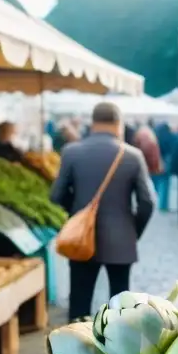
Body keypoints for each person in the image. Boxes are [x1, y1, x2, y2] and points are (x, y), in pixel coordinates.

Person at [50, 102, 155, 321]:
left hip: (81, 238)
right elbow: (147, 202)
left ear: (93, 123)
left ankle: (76, 341)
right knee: (121, 309)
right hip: (121, 239)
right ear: (119, 124)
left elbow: (56, 195)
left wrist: (77, 213)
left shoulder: (71, 152)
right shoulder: (132, 155)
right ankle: (116, 342)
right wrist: (132, 231)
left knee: (79, 304)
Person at [153, 120, 177, 212]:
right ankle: (163, 205)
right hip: (167, 161)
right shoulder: (171, 137)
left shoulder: (155, 137)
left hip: (156, 161)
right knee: (165, 183)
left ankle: (156, 197)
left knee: (156, 181)